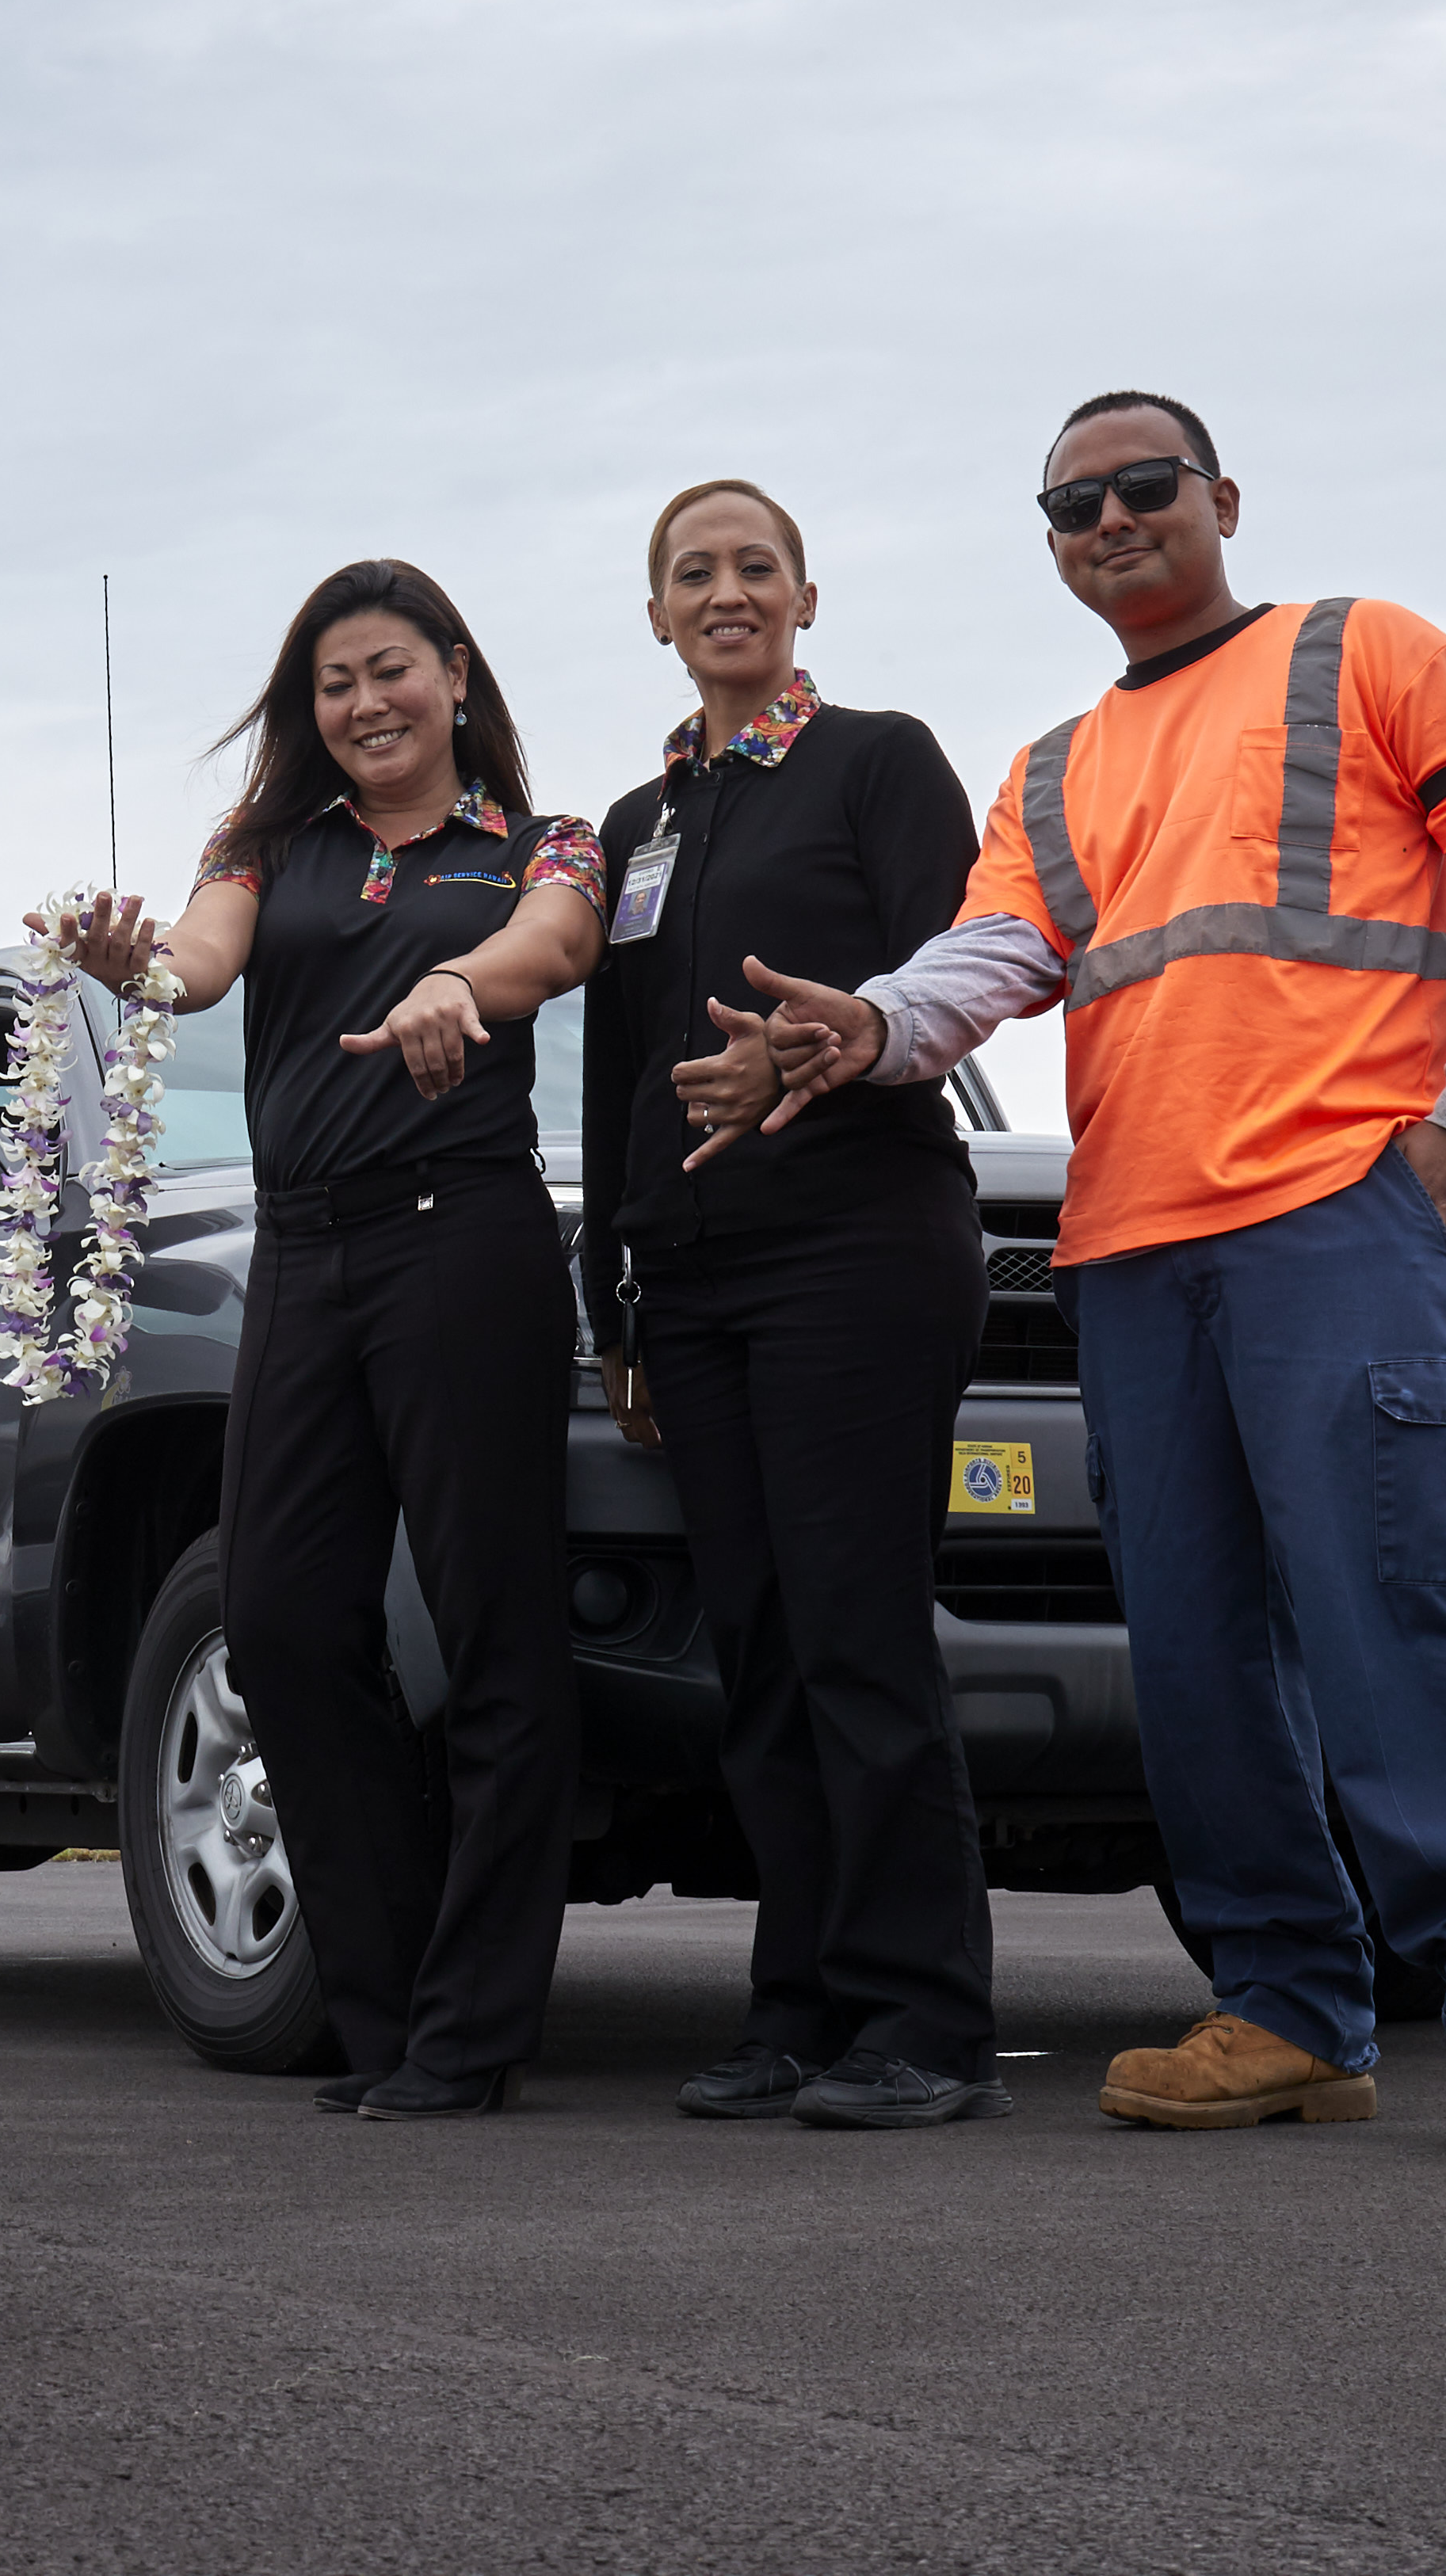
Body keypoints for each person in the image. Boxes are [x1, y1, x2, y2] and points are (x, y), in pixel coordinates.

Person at [733, 390, 1446, 2163]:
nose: (1109, 520)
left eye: (1143, 487)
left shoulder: (1363, 650)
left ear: (1220, 495)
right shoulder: (1058, 766)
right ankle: (1287, 2003)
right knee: (1200, 1653)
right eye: (1071, 505)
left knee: (1398, 1602)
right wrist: (871, 1022)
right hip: (1134, 1249)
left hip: (1334, 1215)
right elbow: (993, 956)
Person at [61, 560, 605, 2120]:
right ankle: (387, 2007)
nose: (364, 703)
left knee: (497, 1629)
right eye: (332, 683)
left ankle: (473, 2028)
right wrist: (130, 963)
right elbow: (196, 962)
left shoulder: (539, 839)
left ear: (452, 673)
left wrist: (460, 979)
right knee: (287, 1617)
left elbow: (559, 946)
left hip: (466, 1242)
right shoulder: (266, 844)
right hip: (301, 1252)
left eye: (389, 671)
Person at [578, 478, 1003, 2132]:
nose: (728, 590)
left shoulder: (878, 761)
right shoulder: (640, 821)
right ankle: (802, 2000)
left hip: (858, 1251)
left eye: (757, 565)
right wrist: (615, 1290)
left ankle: (926, 2017)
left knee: (855, 1631)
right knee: (754, 1650)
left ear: (806, 599)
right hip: (693, 1280)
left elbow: (960, 971)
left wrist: (834, 1046)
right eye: (696, 572)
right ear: (660, 617)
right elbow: (619, 1066)